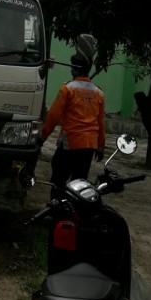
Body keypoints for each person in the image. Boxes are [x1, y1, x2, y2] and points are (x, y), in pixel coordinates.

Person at [40, 53, 105, 195]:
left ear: (74, 69)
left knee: (58, 179)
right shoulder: (98, 93)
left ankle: (57, 206)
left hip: (70, 143)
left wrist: (42, 138)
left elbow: (53, 117)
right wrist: (100, 146)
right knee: (80, 184)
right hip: (89, 146)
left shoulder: (67, 89)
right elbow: (100, 122)